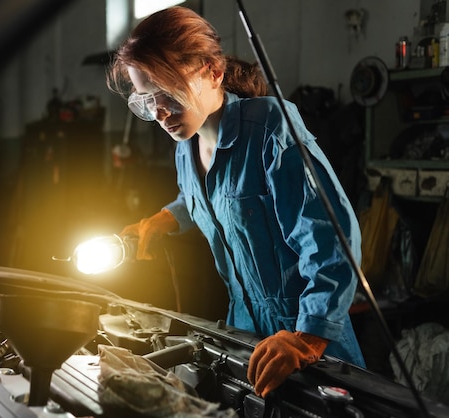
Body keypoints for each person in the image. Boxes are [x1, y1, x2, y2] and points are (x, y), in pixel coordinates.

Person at [106, 6, 366, 398]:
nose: (160, 113)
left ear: (212, 71)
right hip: (242, 333)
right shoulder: (186, 146)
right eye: (146, 101)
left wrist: (307, 338)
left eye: (168, 93)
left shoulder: (270, 128)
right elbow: (207, 198)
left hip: (307, 338)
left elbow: (332, 240)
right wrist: (165, 218)